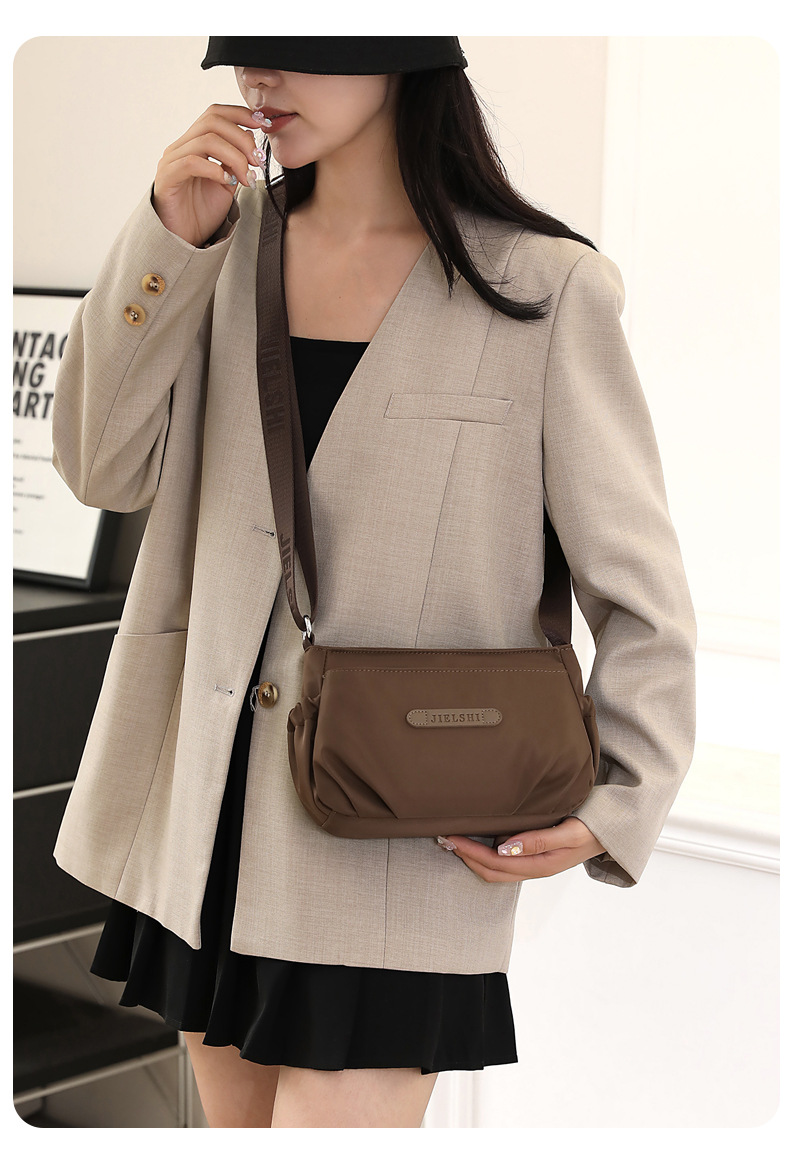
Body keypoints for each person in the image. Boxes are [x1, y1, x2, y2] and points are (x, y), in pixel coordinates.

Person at [51, 36, 697, 1128]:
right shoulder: (217, 251)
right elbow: (97, 465)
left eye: (294, 52)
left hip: (399, 834)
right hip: (205, 816)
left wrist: (621, 796)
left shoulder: (542, 288)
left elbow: (638, 585)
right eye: (244, 56)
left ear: (397, 55)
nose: (259, 81)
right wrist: (166, 235)